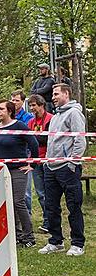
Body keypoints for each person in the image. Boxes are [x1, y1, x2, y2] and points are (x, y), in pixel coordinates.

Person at [39, 83, 87, 257]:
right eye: (53, 94)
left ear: (66, 94)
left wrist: (72, 163)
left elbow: (80, 140)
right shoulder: (55, 116)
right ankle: (55, 241)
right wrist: (47, 162)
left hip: (67, 169)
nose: (53, 97)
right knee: (51, 206)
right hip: (51, 168)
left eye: (56, 94)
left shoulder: (74, 113)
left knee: (73, 206)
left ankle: (77, 243)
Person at [0, 99, 39, 248]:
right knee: (7, 203)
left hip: (18, 170)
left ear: (9, 111)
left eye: (1, 109)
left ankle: (29, 236)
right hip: (1, 170)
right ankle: (15, 235)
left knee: (18, 202)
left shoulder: (19, 126)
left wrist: (33, 164)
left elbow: (34, 144)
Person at [27, 94, 52, 232]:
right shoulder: (31, 122)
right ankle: (47, 221)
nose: (32, 108)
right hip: (35, 160)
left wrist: (35, 139)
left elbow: (47, 139)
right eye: (30, 105)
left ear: (41, 105)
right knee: (40, 193)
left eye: (34, 105)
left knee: (49, 193)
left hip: (48, 159)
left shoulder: (50, 119)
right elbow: (30, 140)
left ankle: (52, 220)